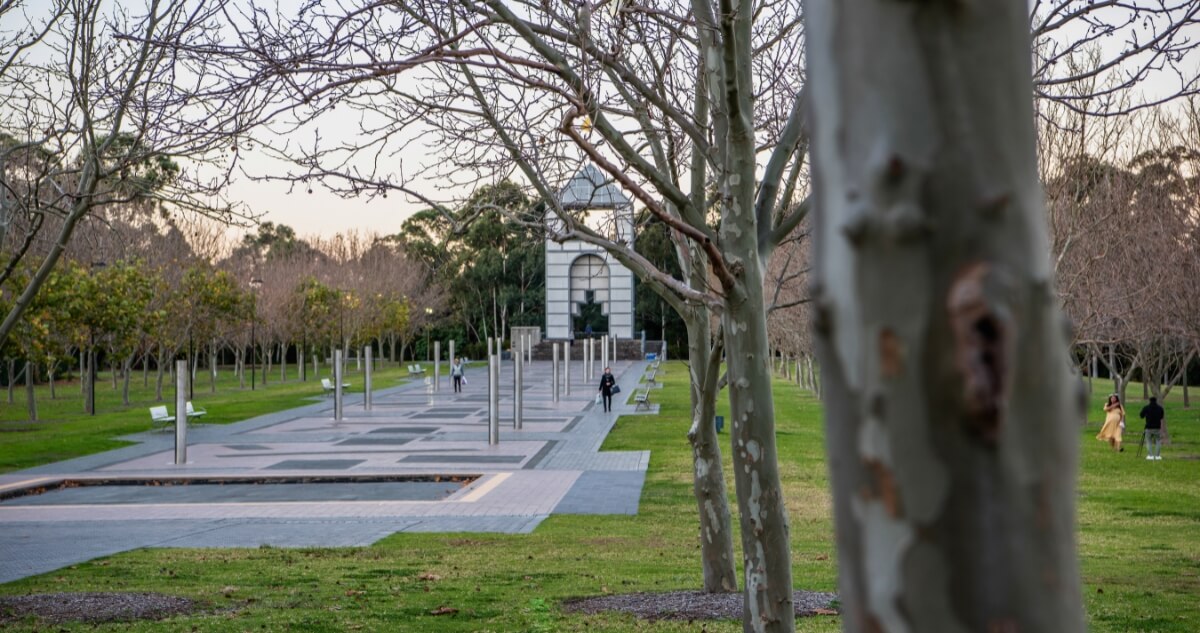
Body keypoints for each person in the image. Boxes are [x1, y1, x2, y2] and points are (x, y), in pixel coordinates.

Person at [1139, 396, 1165, 460]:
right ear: (1156, 401)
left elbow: (1141, 415)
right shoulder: (1160, 408)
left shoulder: (1146, 408)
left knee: (1148, 441)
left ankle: (1150, 455)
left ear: (1149, 401)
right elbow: (1161, 417)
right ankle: (1157, 456)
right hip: (1157, 427)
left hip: (1148, 427)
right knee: (1158, 441)